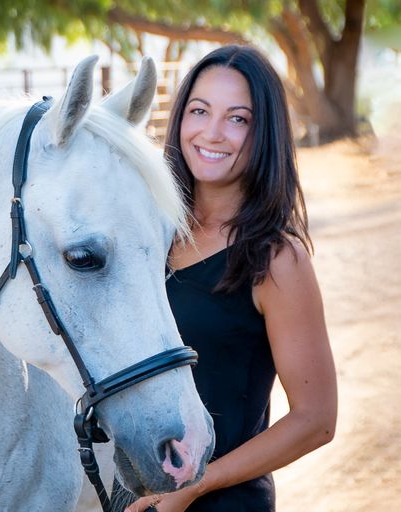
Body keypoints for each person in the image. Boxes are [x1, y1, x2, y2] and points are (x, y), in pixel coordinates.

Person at [123, 45, 337, 512]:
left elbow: (316, 419)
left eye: (237, 119)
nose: (212, 132)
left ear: (264, 134)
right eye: (199, 111)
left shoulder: (275, 259)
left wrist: (195, 486)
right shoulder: (147, 233)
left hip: (221, 503)